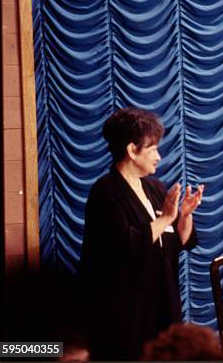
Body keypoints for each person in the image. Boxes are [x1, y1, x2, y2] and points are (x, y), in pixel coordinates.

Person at [79, 108, 204, 360]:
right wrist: (166, 218)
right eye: (153, 149)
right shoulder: (106, 192)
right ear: (132, 150)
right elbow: (125, 246)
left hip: (162, 302)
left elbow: (176, 242)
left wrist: (185, 215)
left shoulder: (155, 187)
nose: (159, 156)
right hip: (127, 310)